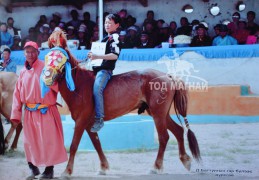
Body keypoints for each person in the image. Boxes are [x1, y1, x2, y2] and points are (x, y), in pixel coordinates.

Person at [10, 41, 67, 179]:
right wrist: (15, 115)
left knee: (48, 140)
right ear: (24, 54)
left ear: (38, 53)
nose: (30, 54)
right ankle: (33, 168)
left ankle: (49, 170)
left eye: (32, 51)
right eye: (27, 52)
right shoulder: (23, 72)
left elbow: (56, 86)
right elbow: (17, 94)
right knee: (29, 142)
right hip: (29, 113)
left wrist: (53, 77)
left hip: (46, 110)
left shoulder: (46, 67)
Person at [88, 14, 121, 132]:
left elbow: (114, 55)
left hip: (105, 70)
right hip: (97, 69)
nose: (107, 25)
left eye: (110, 23)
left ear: (117, 25)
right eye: (106, 23)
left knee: (97, 89)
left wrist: (97, 55)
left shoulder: (115, 38)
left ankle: (99, 118)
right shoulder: (105, 39)